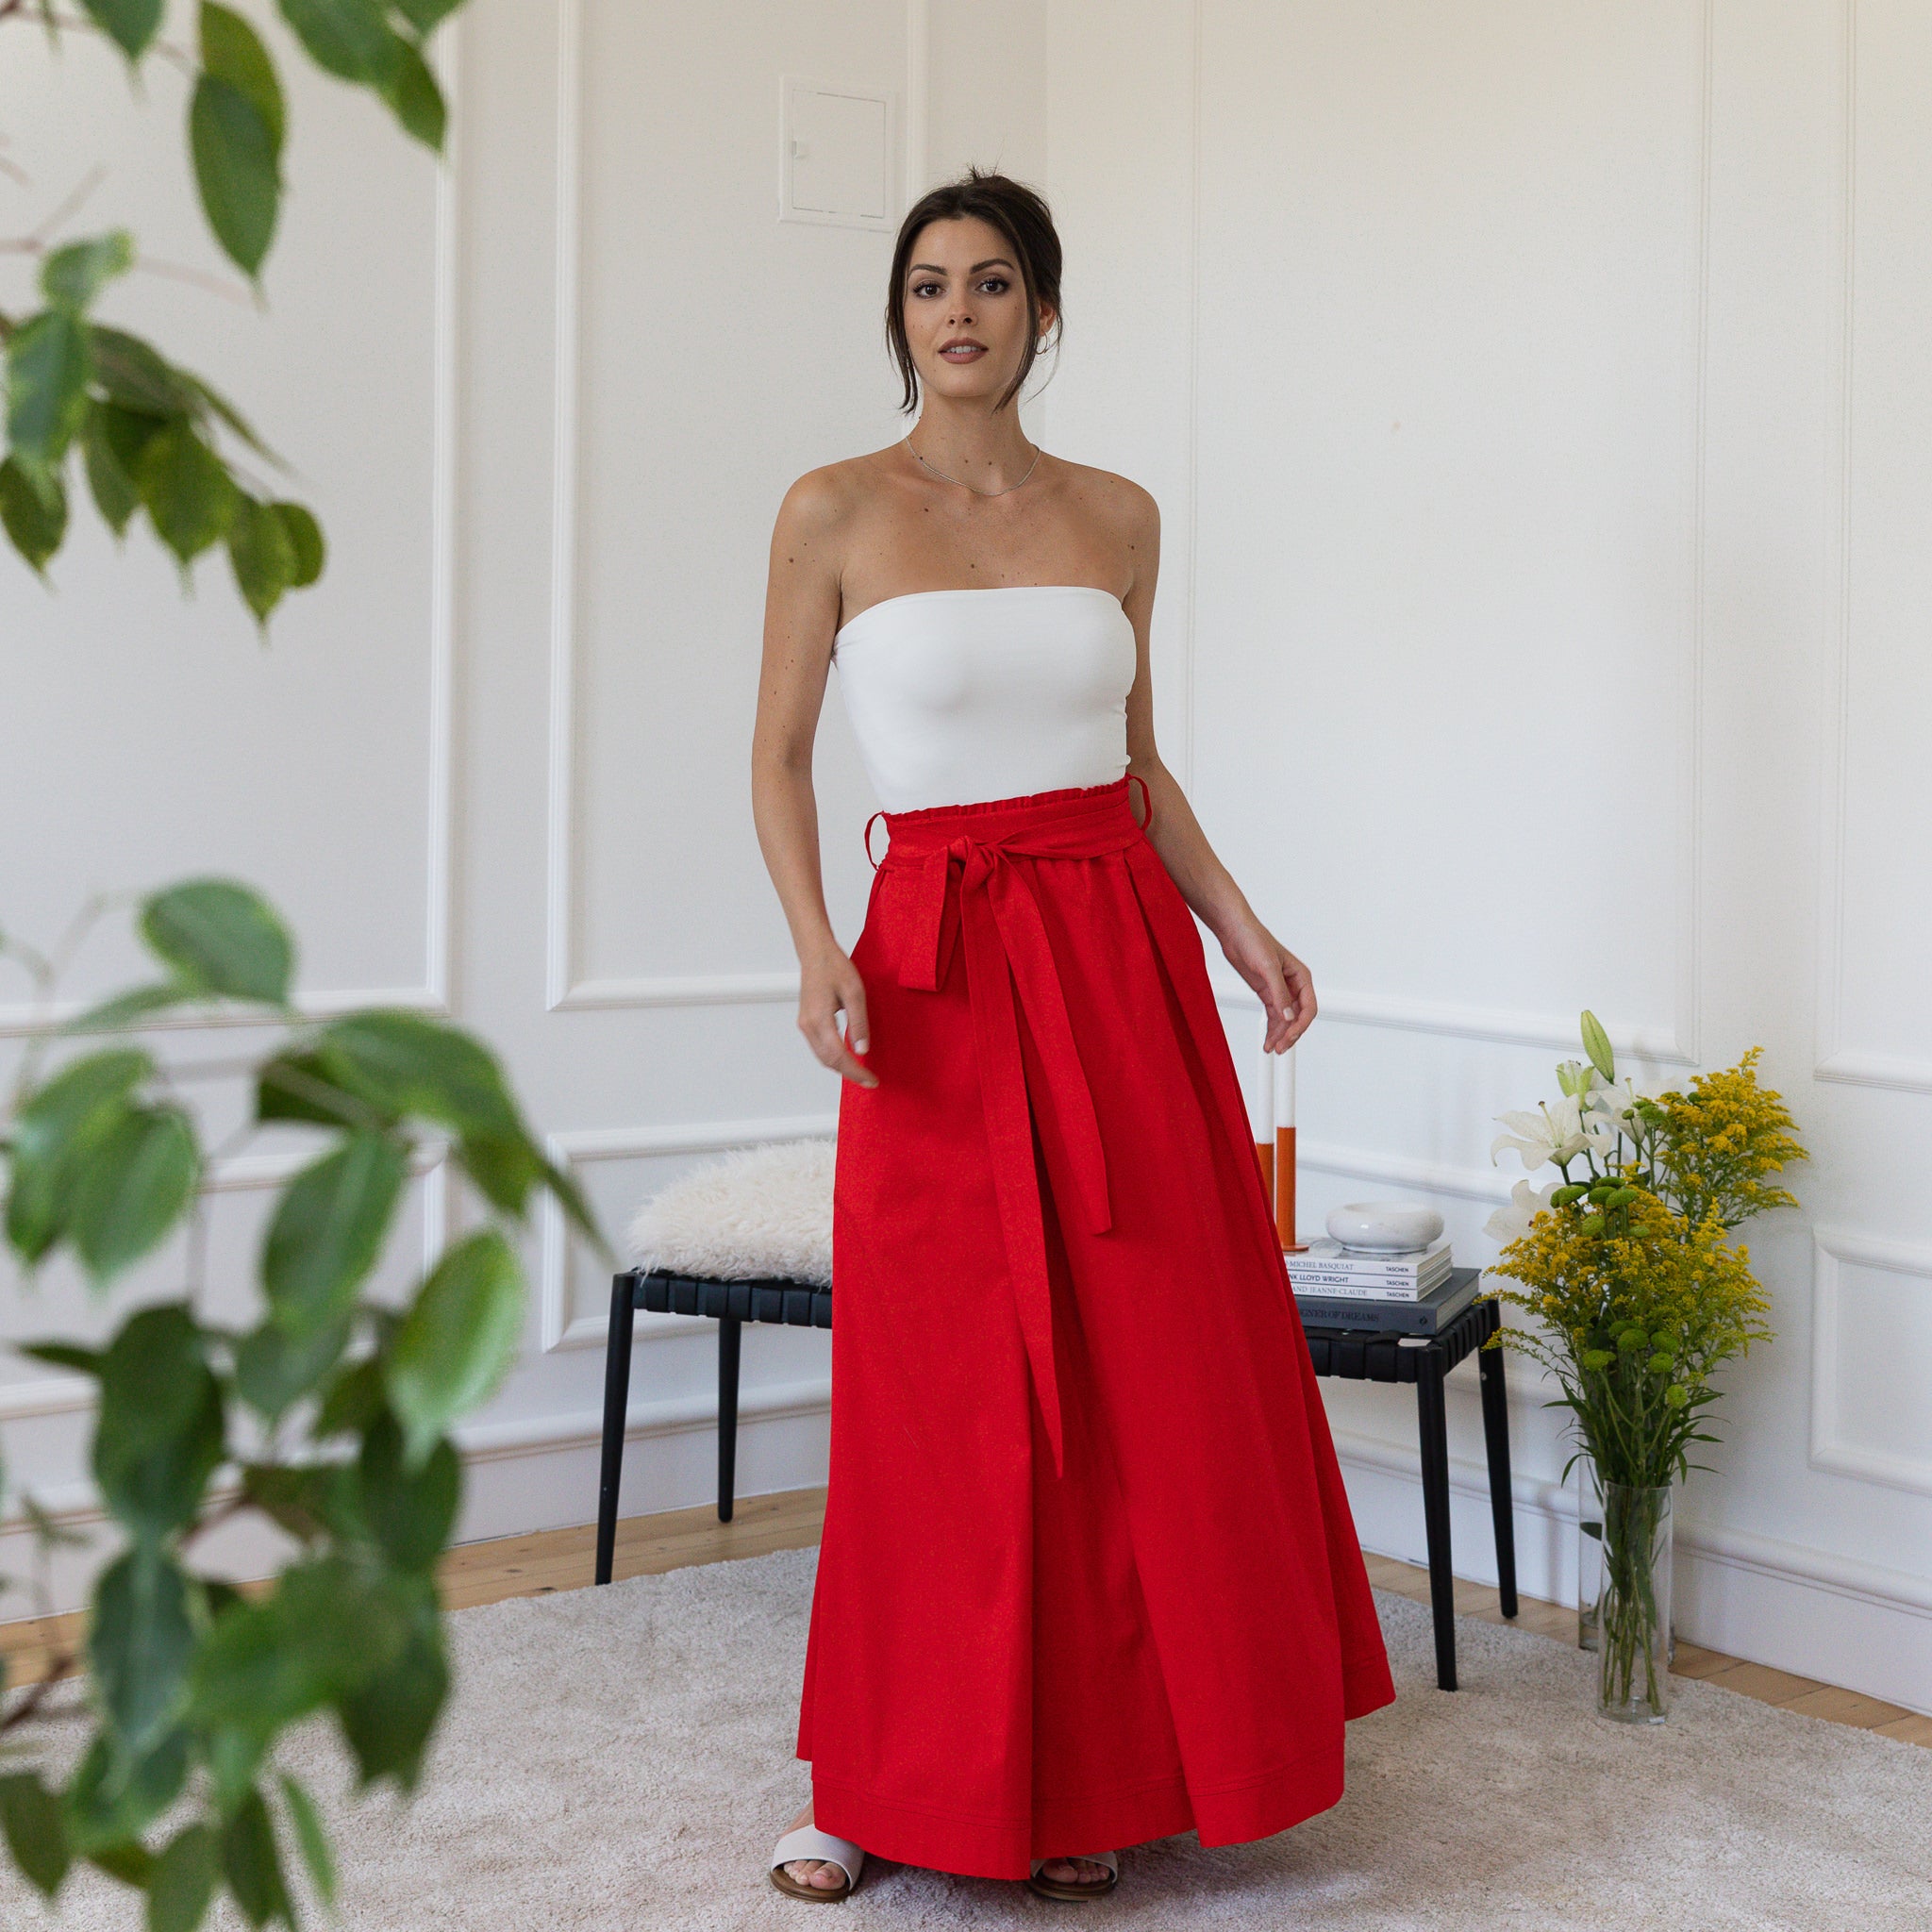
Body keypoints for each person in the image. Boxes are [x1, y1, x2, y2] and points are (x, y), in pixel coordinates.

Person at [749, 167, 1393, 1906]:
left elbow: (1139, 765)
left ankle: (1086, 1784)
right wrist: (820, 947)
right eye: (928, 285)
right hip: (936, 972)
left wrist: (1244, 932)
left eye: (995, 281)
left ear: (1042, 310)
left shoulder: (1121, 516)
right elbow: (779, 757)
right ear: (899, 319)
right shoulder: (830, 510)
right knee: (936, 1391)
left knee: (1137, 1381)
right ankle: (871, 1787)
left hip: (1117, 960)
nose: (958, 310)